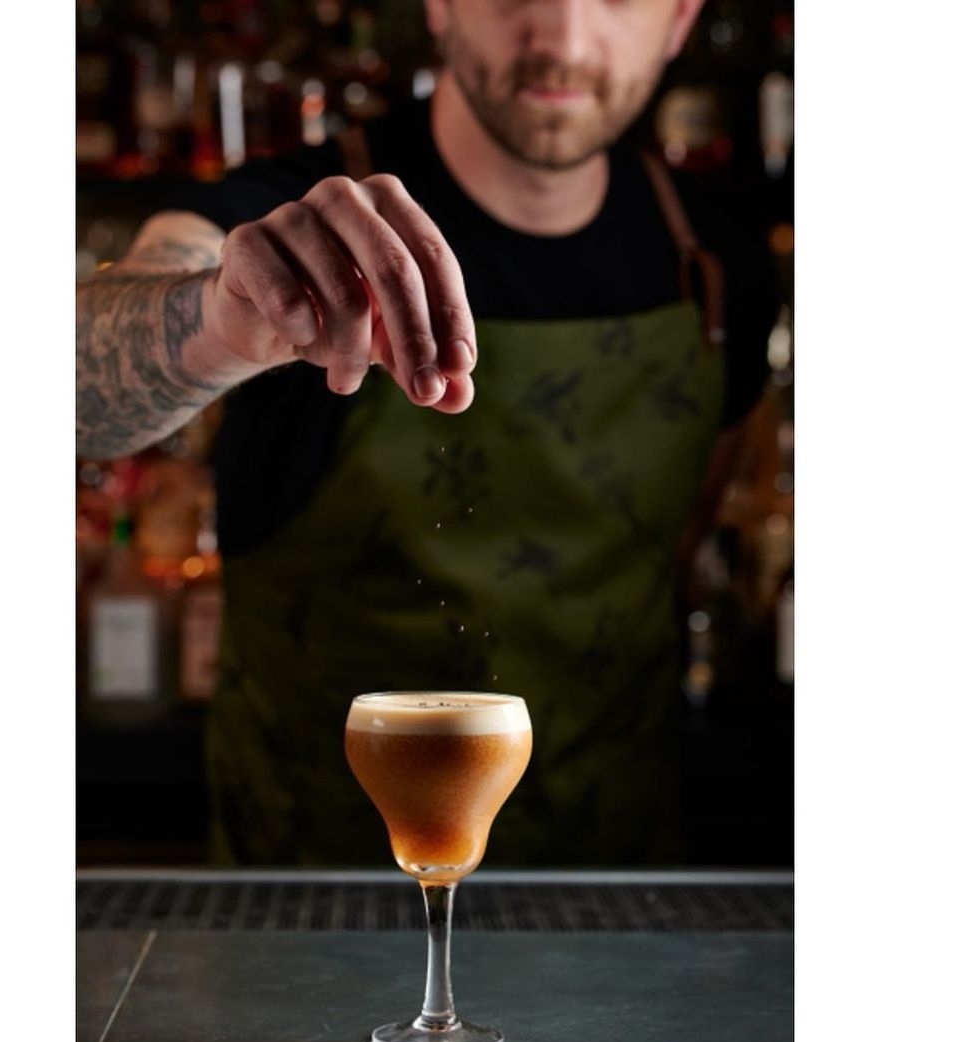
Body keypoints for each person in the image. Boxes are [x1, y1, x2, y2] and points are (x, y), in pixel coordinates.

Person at [77, 0, 779, 867]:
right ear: (440, 7)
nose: (562, 40)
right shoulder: (287, 217)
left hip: (614, 883)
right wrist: (219, 322)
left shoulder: (718, 261)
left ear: (679, 21)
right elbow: (78, 389)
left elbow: (686, 540)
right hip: (317, 896)